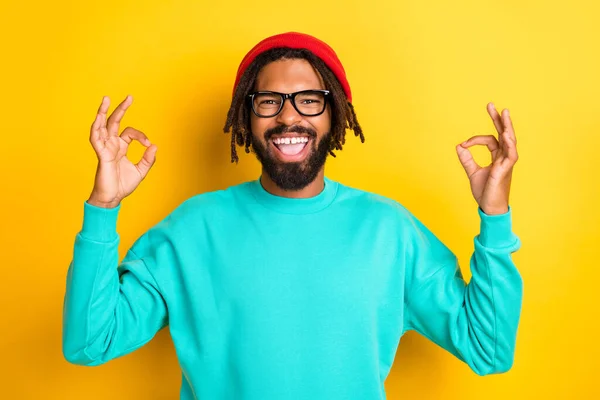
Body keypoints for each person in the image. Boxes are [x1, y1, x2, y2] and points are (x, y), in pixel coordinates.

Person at [62, 32, 523, 400]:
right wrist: (103, 208)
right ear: (248, 116)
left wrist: (495, 213)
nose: (288, 117)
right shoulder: (190, 230)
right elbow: (89, 343)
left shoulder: (389, 231)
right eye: (269, 101)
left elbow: (488, 348)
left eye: (309, 99)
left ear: (334, 114)